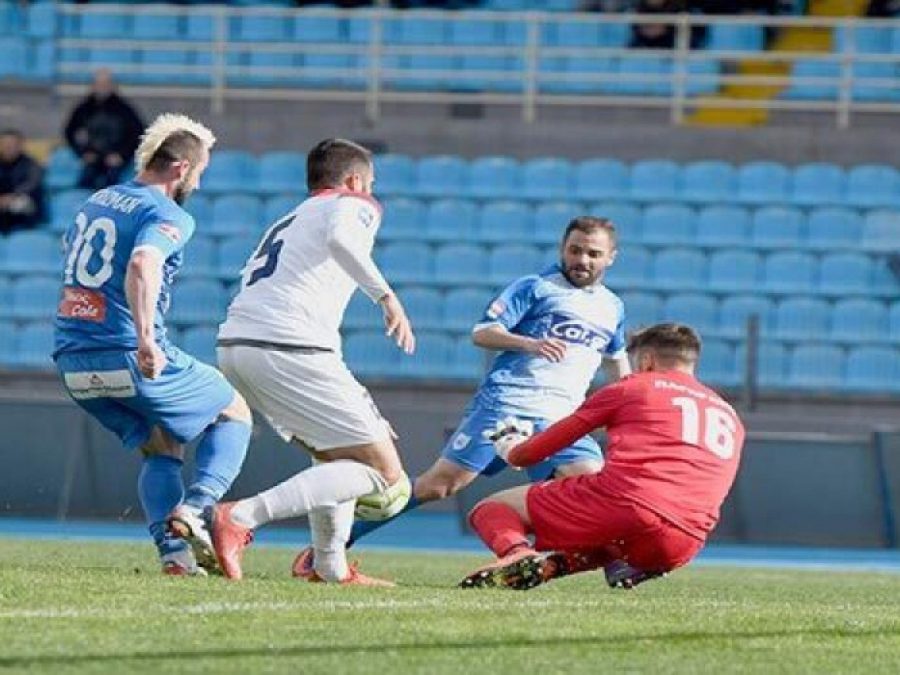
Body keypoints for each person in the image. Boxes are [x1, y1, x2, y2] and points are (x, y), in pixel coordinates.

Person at [313, 216, 631, 571]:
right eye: (575, 250)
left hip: (563, 418)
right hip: (507, 406)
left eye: (593, 253)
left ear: (610, 258)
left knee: (591, 486)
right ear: (562, 248)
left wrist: (627, 407)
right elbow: (482, 333)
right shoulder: (535, 287)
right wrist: (529, 343)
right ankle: (332, 542)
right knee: (439, 486)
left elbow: (617, 365)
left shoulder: (612, 307)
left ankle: (607, 566)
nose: (582, 260)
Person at [205, 138, 416, 585]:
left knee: (338, 456)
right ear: (356, 181)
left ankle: (329, 566)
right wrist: (386, 296)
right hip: (288, 345)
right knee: (385, 475)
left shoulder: (291, 216)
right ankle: (240, 517)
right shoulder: (354, 202)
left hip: (241, 346)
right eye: (369, 184)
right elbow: (342, 239)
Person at [53, 113, 253, 576]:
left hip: (72, 361)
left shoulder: (96, 200)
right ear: (182, 169)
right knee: (234, 409)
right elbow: (143, 262)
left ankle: (174, 555)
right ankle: (198, 509)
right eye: (199, 174)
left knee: (160, 445)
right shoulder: (167, 212)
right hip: (125, 351)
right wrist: (145, 339)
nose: (198, 186)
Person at [458, 323, 745, 591]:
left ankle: (517, 554)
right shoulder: (729, 414)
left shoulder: (632, 387)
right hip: (687, 541)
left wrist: (512, 448)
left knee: (491, 508)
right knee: (616, 532)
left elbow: (536, 451)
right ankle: (561, 565)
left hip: (630, 507)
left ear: (646, 359)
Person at [64, 69, 145, 190]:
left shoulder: (125, 109)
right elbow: (69, 132)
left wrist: (122, 155)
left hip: (116, 160)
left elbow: (138, 134)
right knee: (84, 185)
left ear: (113, 86)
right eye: (99, 84)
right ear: (92, 86)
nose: (102, 87)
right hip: (92, 158)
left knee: (112, 185)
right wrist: (83, 153)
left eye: (106, 84)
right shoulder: (84, 109)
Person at [0, 129, 45, 234]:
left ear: (20, 145)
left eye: (12, 144)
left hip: (21, 201)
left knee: (21, 204)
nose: (8, 148)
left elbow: (32, 184)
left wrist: (11, 197)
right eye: (5, 144)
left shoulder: (31, 164)